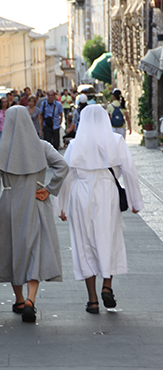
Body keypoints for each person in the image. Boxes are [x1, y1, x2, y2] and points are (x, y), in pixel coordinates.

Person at [0, 106, 69, 322]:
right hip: (36, 203)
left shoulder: (0, 152)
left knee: (15, 251)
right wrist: (49, 188)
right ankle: (31, 299)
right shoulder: (43, 146)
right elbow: (63, 166)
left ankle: (19, 299)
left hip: (10, 206)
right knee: (35, 251)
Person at [54, 105, 143, 314]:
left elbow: (65, 175)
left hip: (81, 194)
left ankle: (92, 300)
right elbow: (129, 171)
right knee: (108, 238)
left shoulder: (75, 144)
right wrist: (134, 202)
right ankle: (107, 286)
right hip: (107, 194)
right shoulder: (116, 141)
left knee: (84, 243)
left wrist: (61, 206)